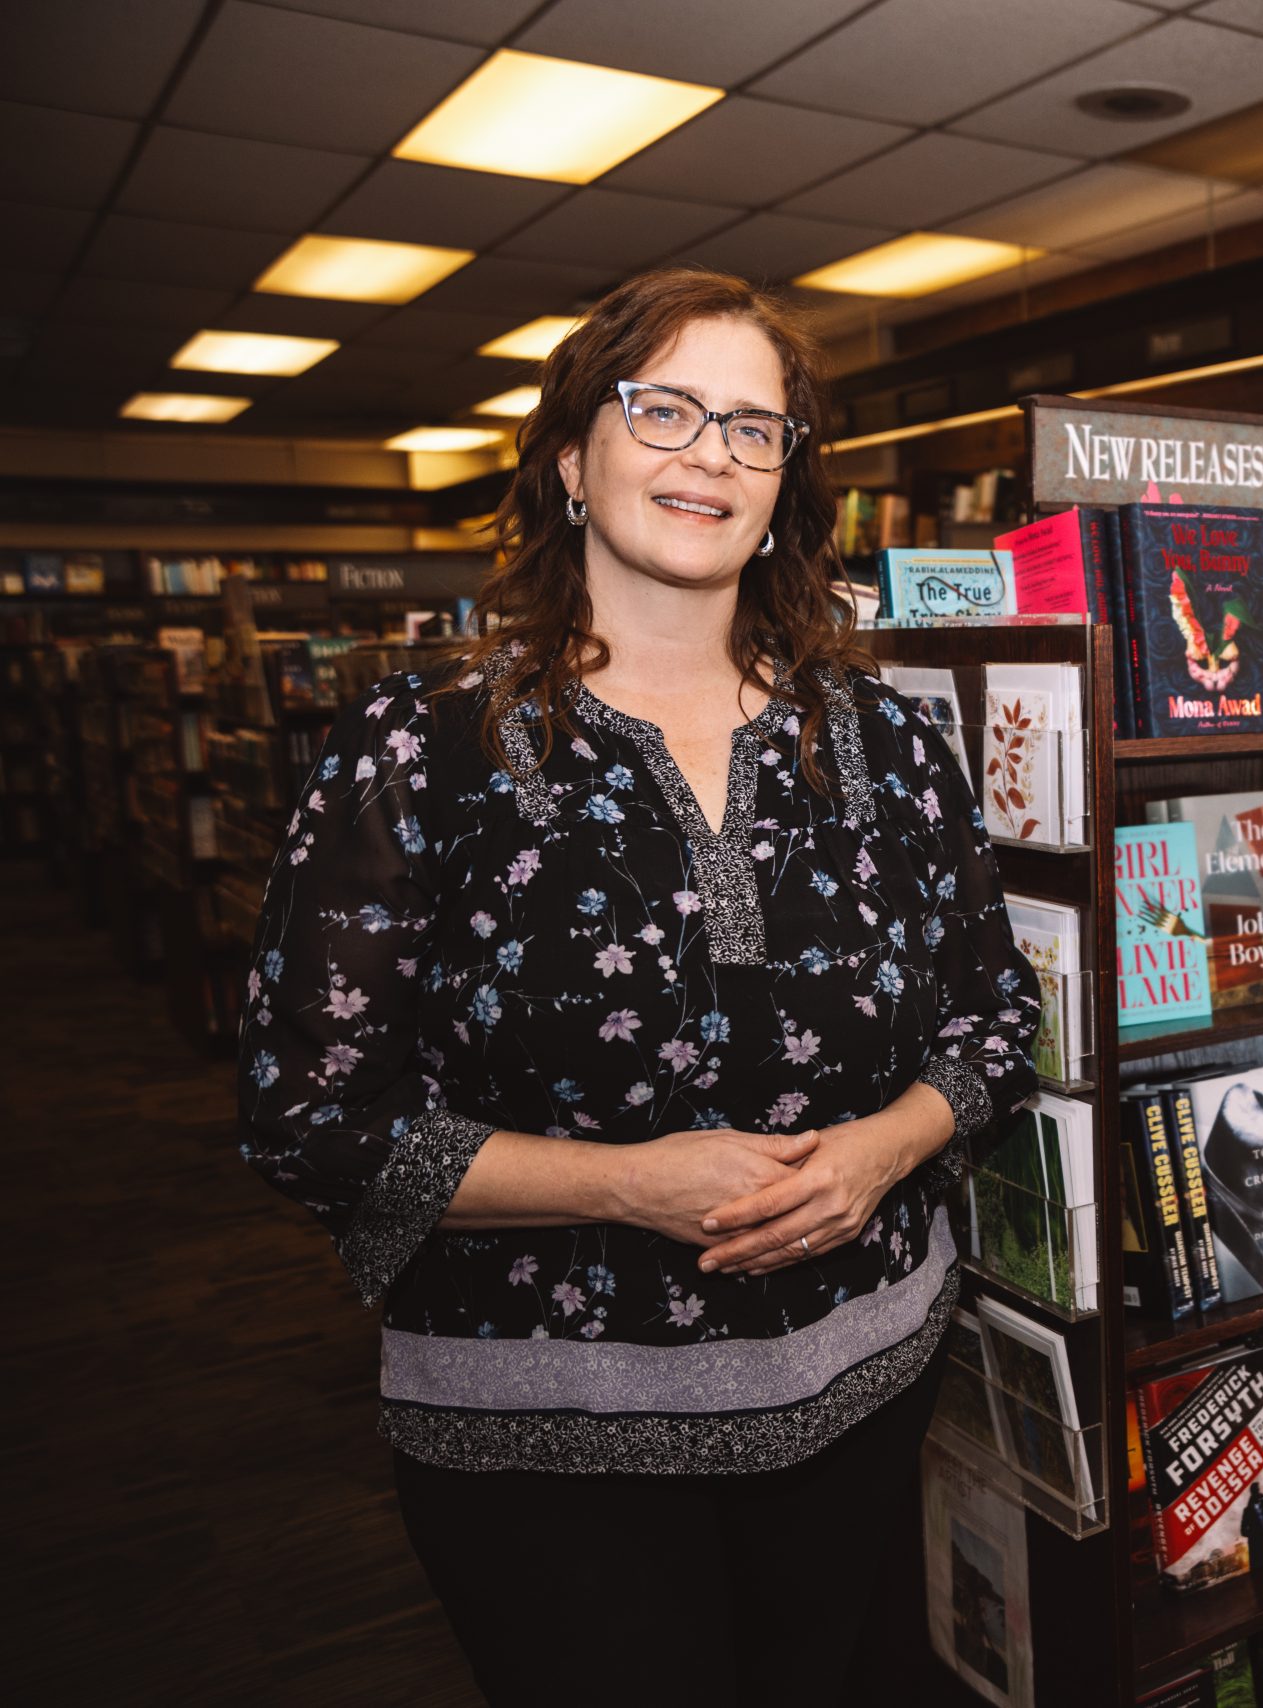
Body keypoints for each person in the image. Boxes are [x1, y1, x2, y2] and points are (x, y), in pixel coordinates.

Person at [235, 266, 1039, 1704]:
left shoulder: (889, 741)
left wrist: (881, 1150)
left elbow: (991, 1023)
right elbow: (311, 1115)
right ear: (567, 457)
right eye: (662, 409)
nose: (708, 455)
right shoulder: (418, 752)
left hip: (864, 1383)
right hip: (545, 1435)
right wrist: (620, 1185)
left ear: (789, 483)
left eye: (752, 428)